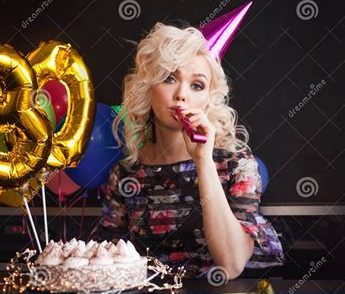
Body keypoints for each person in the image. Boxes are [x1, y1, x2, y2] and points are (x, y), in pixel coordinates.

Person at [91, 23, 284, 279]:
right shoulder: (126, 174)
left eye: (197, 85)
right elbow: (103, 264)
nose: (181, 95)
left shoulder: (236, 164)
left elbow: (232, 263)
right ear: (148, 89)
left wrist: (203, 161)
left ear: (208, 99)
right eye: (169, 78)